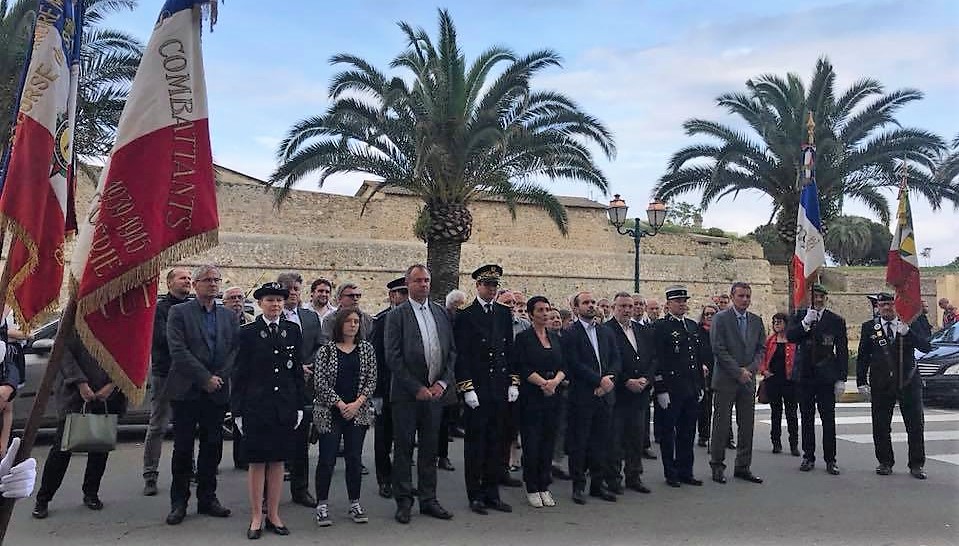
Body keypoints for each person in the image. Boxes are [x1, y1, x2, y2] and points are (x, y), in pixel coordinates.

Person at [165, 265, 240, 525]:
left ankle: (208, 498)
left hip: (216, 392)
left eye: (216, 279)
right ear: (195, 285)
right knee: (183, 449)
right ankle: (179, 502)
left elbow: (234, 350)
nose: (213, 283)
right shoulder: (179, 312)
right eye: (207, 280)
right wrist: (204, 378)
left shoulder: (228, 316)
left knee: (212, 446)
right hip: (186, 391)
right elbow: (178, 350)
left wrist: (218, 378)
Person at [232, 282, 305, 539]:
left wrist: (299, 406)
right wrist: (237, 411)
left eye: (279, 300)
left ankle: (273, 514)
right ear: (260, 303)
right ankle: (256, 516)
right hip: (256, 407)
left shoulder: (292, 331)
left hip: (283, 406)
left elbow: (296, 371)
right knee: (257, 462)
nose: (275, 304)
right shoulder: (248, 332)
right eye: (270, 300)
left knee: (277, 461)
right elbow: (239, 374)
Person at [384, 264, 456, 524]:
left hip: (435, 395)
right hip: (406, 396)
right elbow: (393, 357)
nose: (423, 284)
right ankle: (404, 501)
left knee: (429, 449)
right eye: (418, 280)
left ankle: (429, 499)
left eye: (426, 280)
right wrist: (417, 388)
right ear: (408, 284)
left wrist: (442, 384)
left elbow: (451, 352)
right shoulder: (397, 316)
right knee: (404, 449)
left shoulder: (440, 312)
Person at [32, 333, 127, 519]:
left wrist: (112, 384)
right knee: (61, 449)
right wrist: (81, 383)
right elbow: (63, 351)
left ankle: (91, 493)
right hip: (74, 392)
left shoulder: (119, 318)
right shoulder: (74, 317)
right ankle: (43, 498)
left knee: (100, 446)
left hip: (107, 393)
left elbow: (127, 354)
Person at [454, 264, 516, 515]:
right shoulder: (466, 315)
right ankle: (475, 494)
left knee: (497, 442)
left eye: (495, 285)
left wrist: (513, 381)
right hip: (478, 388)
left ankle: (492, 493)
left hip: (499, 387)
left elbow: (509, 349)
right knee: (476, 444)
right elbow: (462, 355)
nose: (492, 289)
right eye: (488, 285)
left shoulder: (503, 313)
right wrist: (466, 388)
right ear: (477, 286)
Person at [312, 308, 378, 527]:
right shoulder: (326, 351)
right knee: (327, 459)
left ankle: (355, 503)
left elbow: (371, 380)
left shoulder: (366, 349)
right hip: (330, 412)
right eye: (348, 321)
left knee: (354, 459)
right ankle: (322, 505)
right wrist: (340, 404)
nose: (353, 325)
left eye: (356, 321)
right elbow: (320, 383)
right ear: (339, 324)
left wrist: (357, 404)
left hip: (357, 412)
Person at [856, 292, 932, 479]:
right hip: (881, 383)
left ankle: (916, 464)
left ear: (896, 305)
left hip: (908, 381)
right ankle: (885, 462)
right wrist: (861, 381)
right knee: (881, 425)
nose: (886, 308)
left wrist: (908, 332)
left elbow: (926, 346)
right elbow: (863, 356)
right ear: (878, 307)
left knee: (915, 425)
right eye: (882, 304)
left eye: (890, 304)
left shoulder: (910, 323)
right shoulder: (869, 327)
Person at [563, 291, 620, 504]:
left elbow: (616, 359)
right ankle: (578, 486)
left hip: (604, 396)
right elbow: (574, 363)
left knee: (601, 442)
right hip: (582, 396)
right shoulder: (571, 333)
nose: (591, 305)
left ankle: (598, 484)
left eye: (593, 302)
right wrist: (598, 381)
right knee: (580, 443)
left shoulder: (606, 332)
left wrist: (609, 381)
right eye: (586, 302)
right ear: (576, 308)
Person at [142, 267, 192, 496]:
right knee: (158, 425)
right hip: (165, 374)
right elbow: (163, 338)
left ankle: (188, 470)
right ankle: (150, 474)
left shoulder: (194, 307)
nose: (187, 281)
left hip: (189, 374)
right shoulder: (160, 309)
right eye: (183, 278)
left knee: (187, 424)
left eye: (189, 278)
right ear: (170, 283)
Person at [649, 286, 706, 488]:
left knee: (688, 431)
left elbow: (696, 358)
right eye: (678, 301)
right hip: (671, 388)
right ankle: (670, 472)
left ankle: (685, 471)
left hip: (690, 386)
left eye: (684, 301)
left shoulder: (691, 325)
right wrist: (660, 388)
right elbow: (656, 358)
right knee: (668, 432)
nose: (682, 304)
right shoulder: (660, 327)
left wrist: (700, 385)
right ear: (668, 304)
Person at [787, 285, 848, 474]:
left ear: (826, 298)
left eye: (822, 296)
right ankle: (808, 456)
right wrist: (806, 322)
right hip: (805, 375)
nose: (818, 300)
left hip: (826, 376)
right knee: (806, 418)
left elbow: (842, 350)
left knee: (828, 419)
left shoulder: (835, 320)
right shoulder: (800, 316)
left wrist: (841, 378)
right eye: (815, 296)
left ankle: (830, 459)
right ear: (809, 297)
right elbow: (791, 336)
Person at [709, 282, 765, 485]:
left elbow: (761, 349)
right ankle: (717, 465)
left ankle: (743, 466)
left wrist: (750, 369)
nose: (745, 300)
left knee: (746, 425)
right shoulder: (720, 319)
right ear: (732, 297)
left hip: (747, 381)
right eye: (741, 296)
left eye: (748, 296)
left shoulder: (756, 321)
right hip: (726, 379)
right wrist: (737, 371)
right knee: (721, 424)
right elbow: (718, 348)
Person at [277, 272, 324, 508]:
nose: (293, 293)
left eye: (296, 288)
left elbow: (320, 346)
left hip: (304, 388)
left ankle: (301, 489)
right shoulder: (272, 317)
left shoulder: (310, 317)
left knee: (300, 443)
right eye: (288, 289)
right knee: (275, 442)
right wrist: (297, 367)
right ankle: (268, 494)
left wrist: (309, 366)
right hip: (278, 388)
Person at [514, 296, 566, 507]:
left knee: (548, 442)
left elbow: (564, 364)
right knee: (532, 443)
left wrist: (554, 382)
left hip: (553, 396)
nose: (545, 314)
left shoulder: (555, 337)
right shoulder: (524, 338)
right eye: (540, 310)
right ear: (530, 314)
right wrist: (543, 383)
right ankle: (532, 486)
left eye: (547, 309)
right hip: (532, 396)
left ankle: (544, 484)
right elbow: (522, 366)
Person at [605, 292, 653, 493]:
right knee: (615, 440)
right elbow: (608, 361)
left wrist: (646, 379)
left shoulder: (642, 330)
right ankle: (613, 478)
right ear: (614, 308)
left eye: (630, 306)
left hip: (640, 394)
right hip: (618, 394)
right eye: (622, 306)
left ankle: (634, 476)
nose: (627, 310)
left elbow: (652, 358)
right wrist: (626, 381)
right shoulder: (606, 331)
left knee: (636, 438)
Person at [370, 277, 409, 498]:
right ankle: (384, 479)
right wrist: (376, 394)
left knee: (405, 438)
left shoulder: (414, 318)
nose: (406, 297)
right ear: (392, 296)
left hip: (408, 389)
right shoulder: (382, 320)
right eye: (402, 293)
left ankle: (402, 480)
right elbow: (375, 358)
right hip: (386, 388)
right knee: (384, 438)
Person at [762, 313, 800, 457]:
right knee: (775, 413)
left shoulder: (793, 340)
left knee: (792, 414)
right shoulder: (770, 340)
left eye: (779, 322)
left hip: (790, 381)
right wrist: (764, 371)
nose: (776, 324)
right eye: (774, 322)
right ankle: (776, 443)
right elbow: (762, 357)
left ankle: (794, 444)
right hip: (773, 380)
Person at [696, 304, 719, 448]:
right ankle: (703, 435)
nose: (709, 317)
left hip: (720, 370)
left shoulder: (721, 330)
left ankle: (725, 437)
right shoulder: (698, 331)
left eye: (712, 314)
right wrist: (700, 364)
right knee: (705, 406)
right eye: (707, 314)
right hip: (704, 371)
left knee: (722, 406)